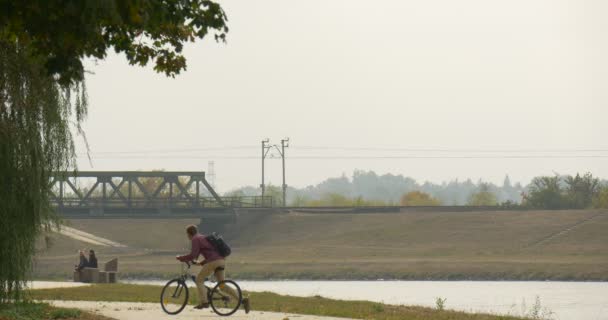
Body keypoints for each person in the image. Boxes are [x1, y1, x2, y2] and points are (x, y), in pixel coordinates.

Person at [176, 225, 250, 313]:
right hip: (221, 260)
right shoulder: (203, 237)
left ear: (189, 234)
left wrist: (181, 258)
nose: (187, 236)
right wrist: (201, 263)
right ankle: (243, 300)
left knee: (199, 280)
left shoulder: (195, 239)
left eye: (187, 234)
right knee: (222, 285)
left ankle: (205, 302)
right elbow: (210, 252)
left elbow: (193, 255)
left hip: (213, 262)